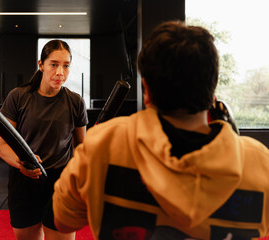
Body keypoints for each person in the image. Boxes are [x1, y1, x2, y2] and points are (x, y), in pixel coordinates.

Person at [52, 21, 269, 239]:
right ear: (212, 93)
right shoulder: (260, 163)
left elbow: (63, 220)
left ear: (146, 91)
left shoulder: (104, 143)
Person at [0, 39, 88, 240]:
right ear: (41, 65)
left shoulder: (75, 102)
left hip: (60, 182)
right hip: (25, 179)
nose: (60, 72)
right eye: (54, 65)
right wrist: (21, 164)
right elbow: (3, 146)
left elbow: (81, 146)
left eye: (66, 66)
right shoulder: (18, 97)